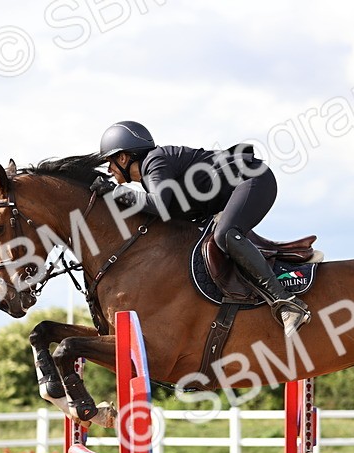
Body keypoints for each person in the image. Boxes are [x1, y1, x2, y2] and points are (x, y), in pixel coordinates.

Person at [98, 120, 311, 337]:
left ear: (123, 157)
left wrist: (115, 193)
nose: (110, 170)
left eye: (110, 162)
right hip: (236, 189)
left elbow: (159, 205)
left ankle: (287, 303)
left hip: (253, 179)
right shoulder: (152, 176)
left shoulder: (155, 160)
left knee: (225, 235)